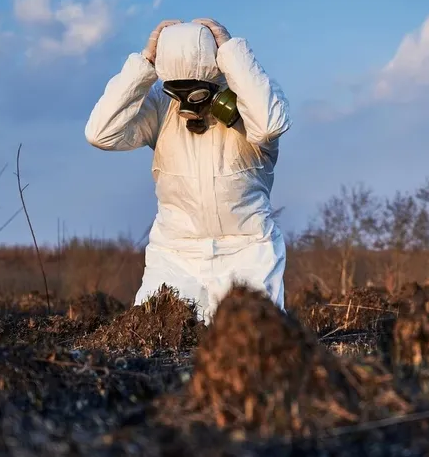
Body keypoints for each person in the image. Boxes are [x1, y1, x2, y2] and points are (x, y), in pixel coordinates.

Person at [84, 18, 291, 323]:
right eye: (175, 92)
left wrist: (232, 51)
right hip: (175, 255)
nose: (185, 104)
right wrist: (145, 63)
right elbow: (100, 133)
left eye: (195, 94)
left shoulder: (255, 103)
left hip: (248, 251)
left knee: (253, 344)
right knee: (154, 336)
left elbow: (271, 124)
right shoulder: (161, 109)